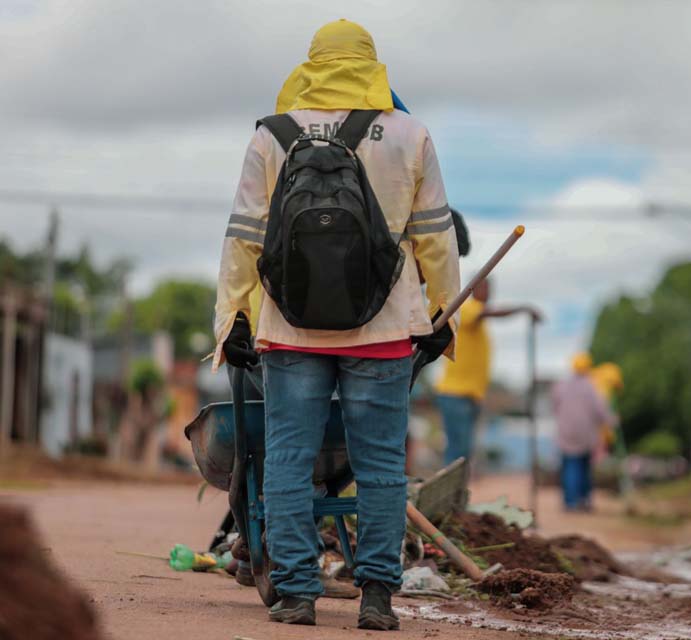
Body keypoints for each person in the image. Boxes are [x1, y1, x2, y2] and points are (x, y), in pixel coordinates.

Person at [213, 20, 460, 629]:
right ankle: (376, 596)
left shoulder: (272, 135)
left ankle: (298, 593)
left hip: (290, 329)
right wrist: (443, 312)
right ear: (372, 66)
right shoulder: (409, 134)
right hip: (384, 329)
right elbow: (435, 234)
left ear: (311, 65)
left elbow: (244, 235)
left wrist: (232, 318)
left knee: (288, 460)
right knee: (380, 467)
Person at [433, 278, 540, 465]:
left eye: (490, 289)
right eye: (483, 288)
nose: (488, 293)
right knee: (458, 451)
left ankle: (457, 483)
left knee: (464, 451)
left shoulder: (479, 322)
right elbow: (486, 313)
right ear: (473, 289)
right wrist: (522, 309)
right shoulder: (467, 308)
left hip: (469, 395)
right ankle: (450, 484)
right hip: (456, 393)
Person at [552, 353, 617, 511]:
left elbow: (554, 406)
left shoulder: (561, 385)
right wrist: (612, 420)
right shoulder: (591, 386)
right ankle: (583, 500)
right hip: (586, 433)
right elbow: (600, 409)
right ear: (588, 367)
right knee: (583, 467)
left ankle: (570, 502)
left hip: (565, 432)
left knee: (569, 466)